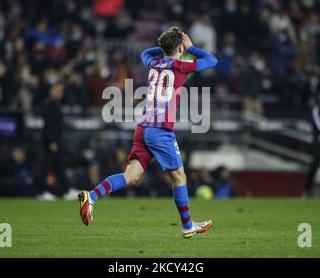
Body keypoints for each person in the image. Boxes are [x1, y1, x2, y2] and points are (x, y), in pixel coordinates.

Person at [78, 27, 217, 238]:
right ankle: (188, 226)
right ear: (180, 46)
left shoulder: (152, 62)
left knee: (131, 176)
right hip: (160, 130)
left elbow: (146, 53)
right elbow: (211, 60)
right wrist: (191, 47)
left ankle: (92, 196)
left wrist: (165, 47)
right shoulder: (182, 66)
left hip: (142, 128)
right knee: (179, 177)